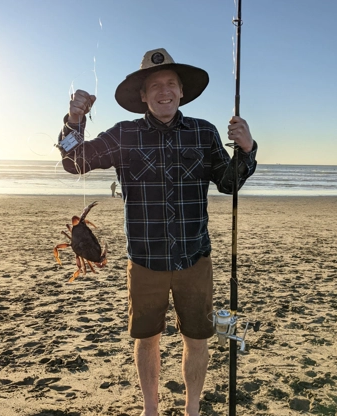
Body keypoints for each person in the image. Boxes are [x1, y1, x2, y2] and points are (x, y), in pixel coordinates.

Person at [58, 48, 257, 416]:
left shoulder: (203, 132)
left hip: (194, 259)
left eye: (170, 84)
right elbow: (74, 161)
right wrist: (73, 121)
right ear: (143, 96)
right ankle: (150, 408)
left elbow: (229, 183)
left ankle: (192, 407)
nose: (164, 91)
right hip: (145, 263)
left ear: (181, 91)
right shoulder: (124, 134)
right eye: (154, 86)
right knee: (146, 339)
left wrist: (246, 150)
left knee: (197, 340)